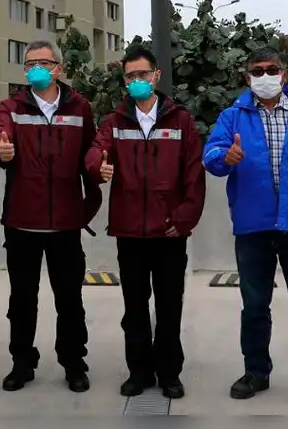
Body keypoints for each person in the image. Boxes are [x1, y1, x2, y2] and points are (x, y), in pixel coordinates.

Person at [202, 46, 288, 407]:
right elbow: (211, 157)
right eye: (257, 70)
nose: (265, 76)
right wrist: (226, 157)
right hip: (254, 226)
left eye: (272, 69)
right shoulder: (233, 117)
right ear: (247, 77)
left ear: (285, 74)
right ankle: (256, 372)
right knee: (254, 306)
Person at [85, 47, 205, 399]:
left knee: (170, 306)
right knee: (134, 308)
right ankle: (139, 371)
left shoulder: (180, 121)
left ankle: (169, 373)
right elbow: (95, 151)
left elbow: (194, 175)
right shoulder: (114, 122)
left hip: (169, 232)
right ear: (124, 81)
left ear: (156, 76)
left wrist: (183, 219)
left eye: (142, 74)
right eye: (130, 76)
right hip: (129, 231)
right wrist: (97, 167)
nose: (137, 81)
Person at [0, 40, 102, 393]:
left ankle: (73, 363)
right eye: (30, 63)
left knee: (70, 299)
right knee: (22, 300)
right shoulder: (11, 105)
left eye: (44, 62)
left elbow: (91, 153)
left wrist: (91, 195)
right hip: (23, 220)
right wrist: (1, 151)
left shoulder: (79, 107)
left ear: (59, 68)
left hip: (66, 223)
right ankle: (22, 362)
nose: (37, 68)